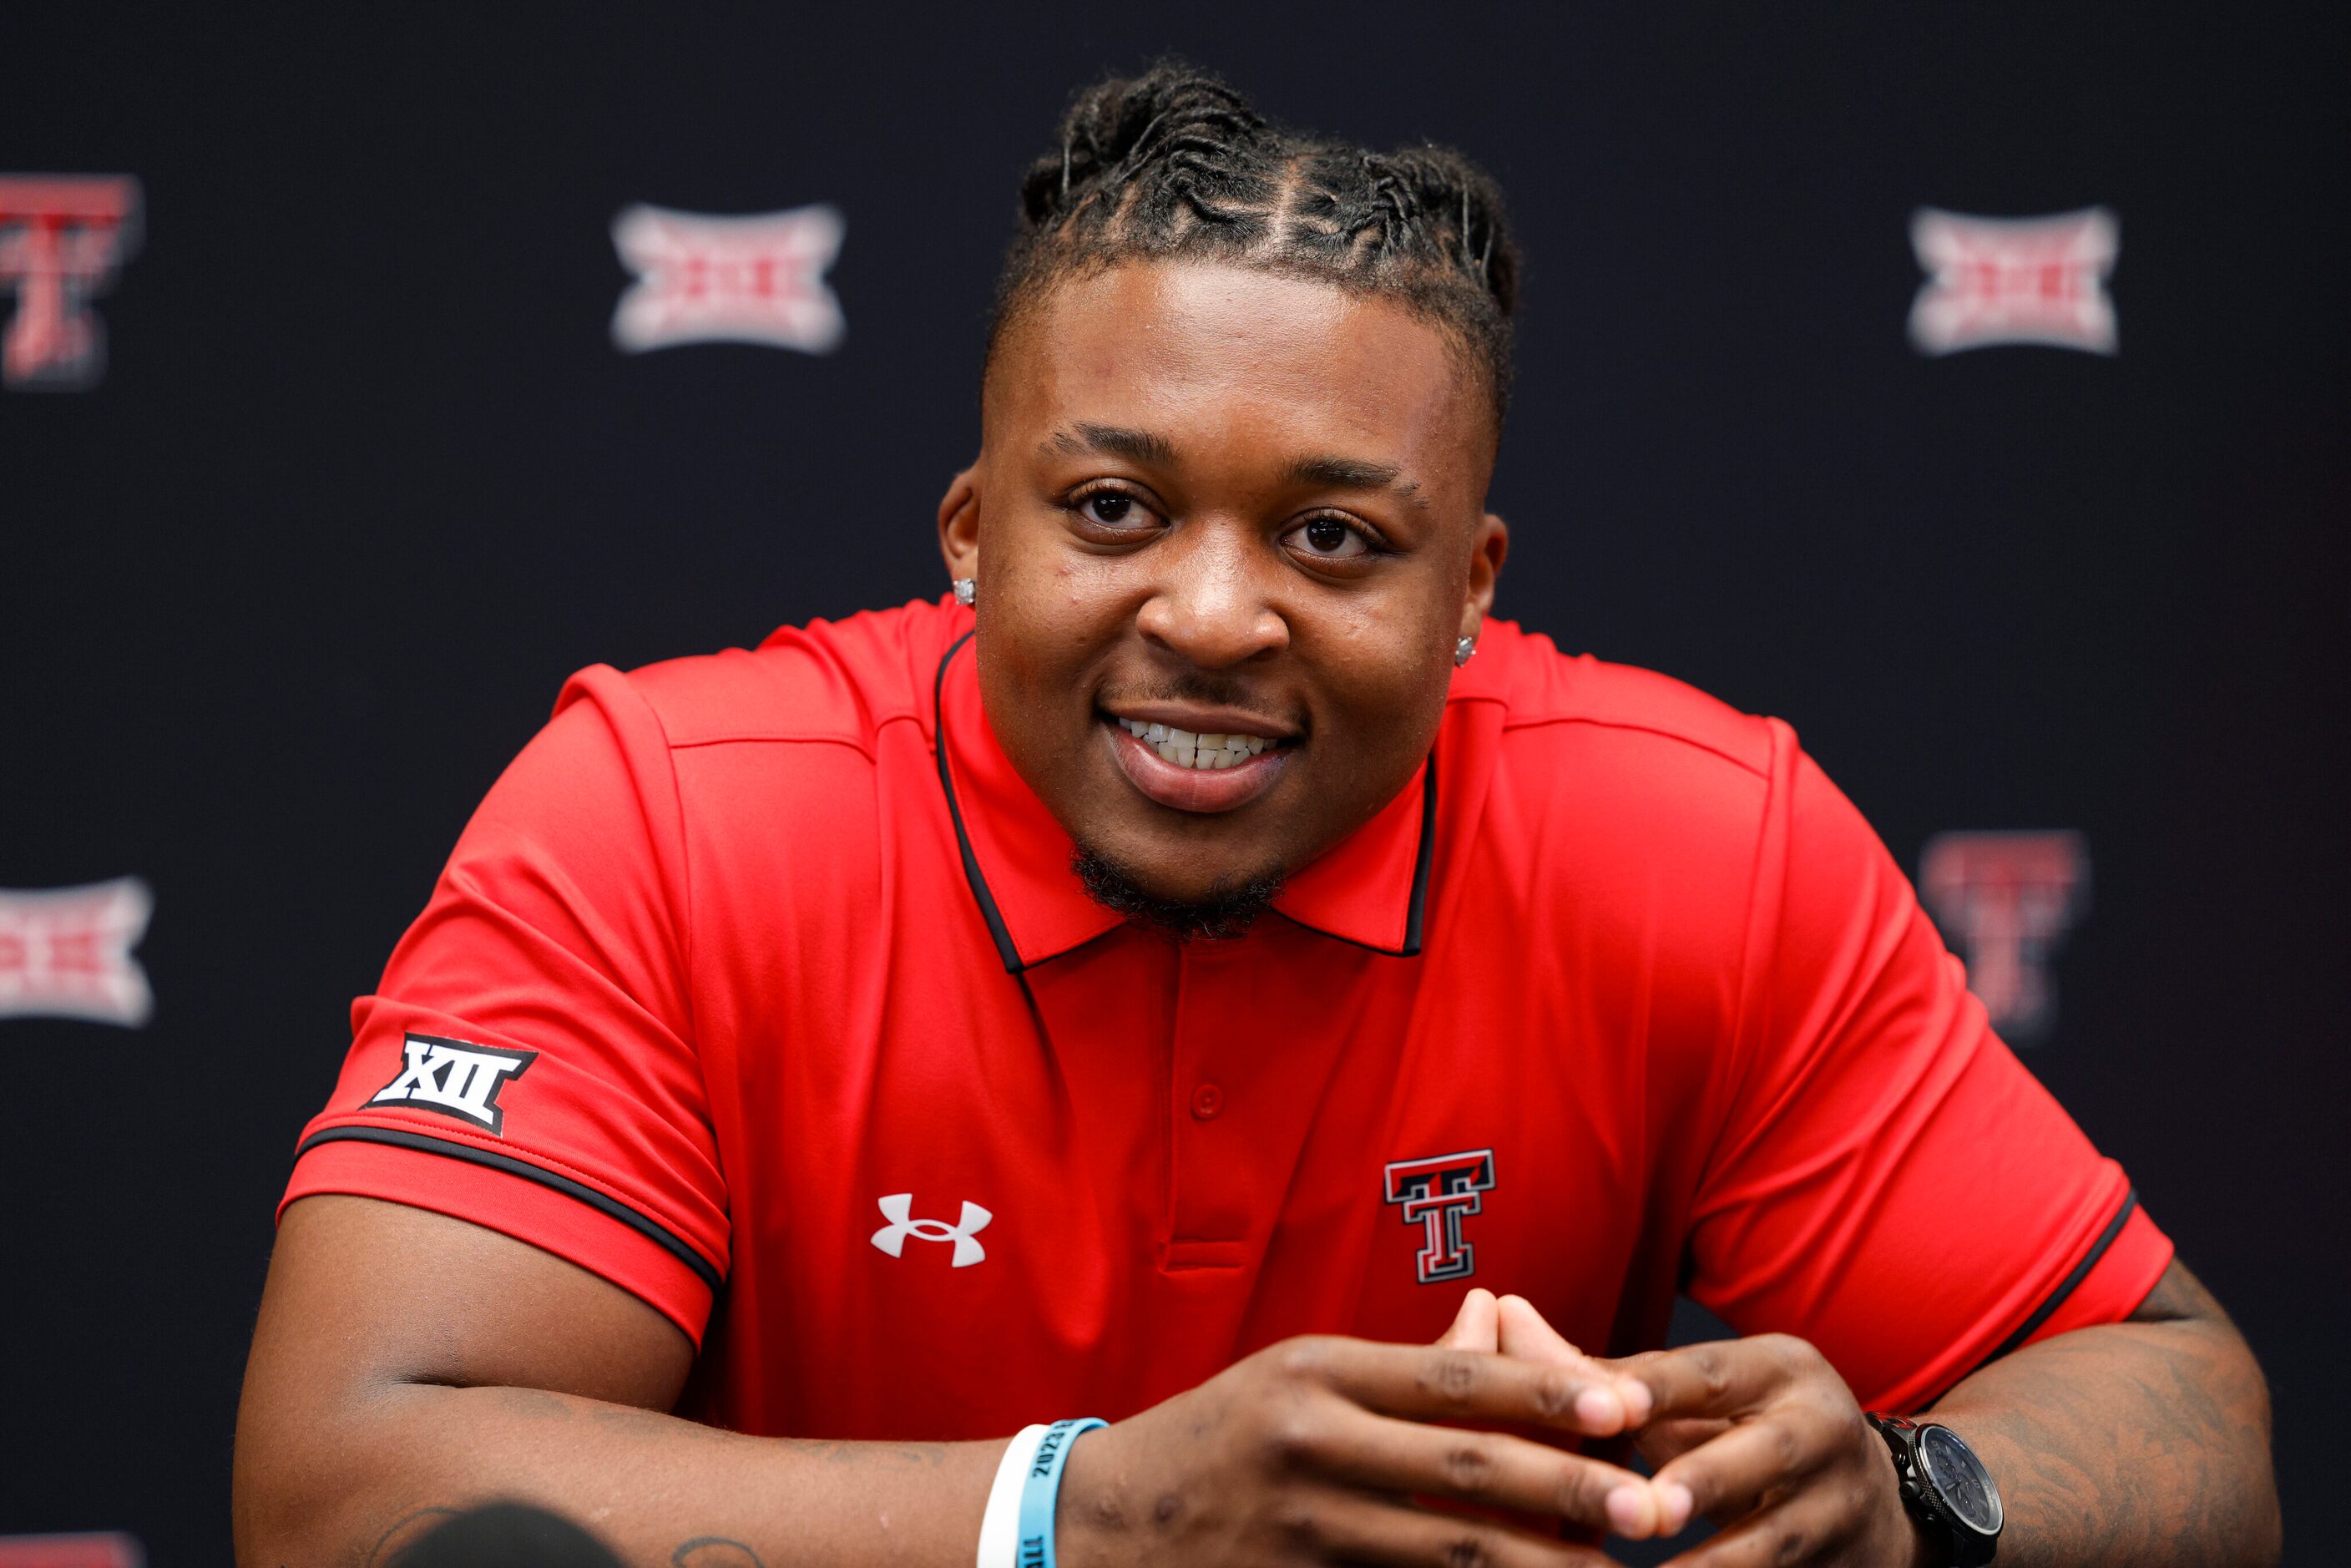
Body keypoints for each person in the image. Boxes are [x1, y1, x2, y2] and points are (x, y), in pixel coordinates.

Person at [233, 63, 2279, 1568]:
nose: (1210, 618)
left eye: (1330, 535)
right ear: (969, 534)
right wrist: (1081, 1515)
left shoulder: (1692, 835)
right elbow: (343, 1489)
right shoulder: (669, 814)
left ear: (1474, 588)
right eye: (1111, 510)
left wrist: (1906, 1508)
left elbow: (2190, 1418)